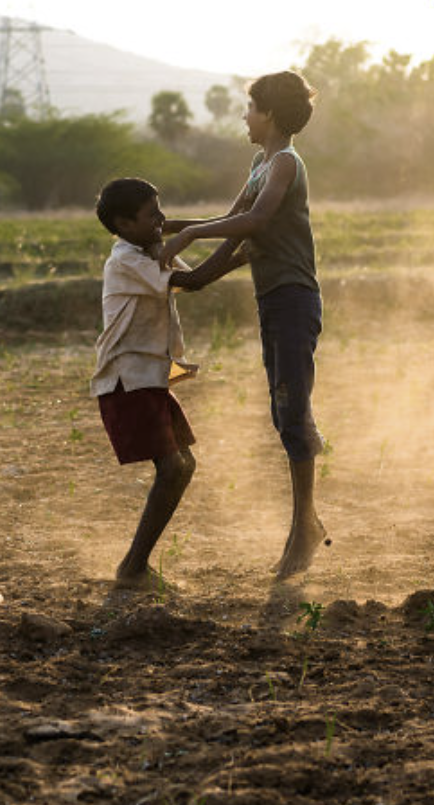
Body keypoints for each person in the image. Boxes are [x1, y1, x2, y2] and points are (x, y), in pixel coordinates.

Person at [160, 70, 326, 579]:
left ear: (270, 113)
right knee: (284, 413)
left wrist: (186, 239)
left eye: (250, 107)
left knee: (292, 414)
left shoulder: (284, 165)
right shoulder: (259, 164)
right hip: (273, 302)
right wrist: (174, 254)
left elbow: (253, 223)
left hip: (295, 300)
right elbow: (230, 227)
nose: (244, 116)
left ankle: (303, 530)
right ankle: (307, 523)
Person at [91, 177, 243, 589]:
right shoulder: (126, 259)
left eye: (162, 212)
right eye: (151, 215)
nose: (161, 220)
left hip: (151, 378)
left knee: (183, 465)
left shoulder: (148, 249)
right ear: (123, 224)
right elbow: (195, 281)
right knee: (173, 466)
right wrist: (243, 238)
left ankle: (134, 566)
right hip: (129, 380)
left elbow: (195, 268)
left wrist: (235, 230)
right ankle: (132, 569)